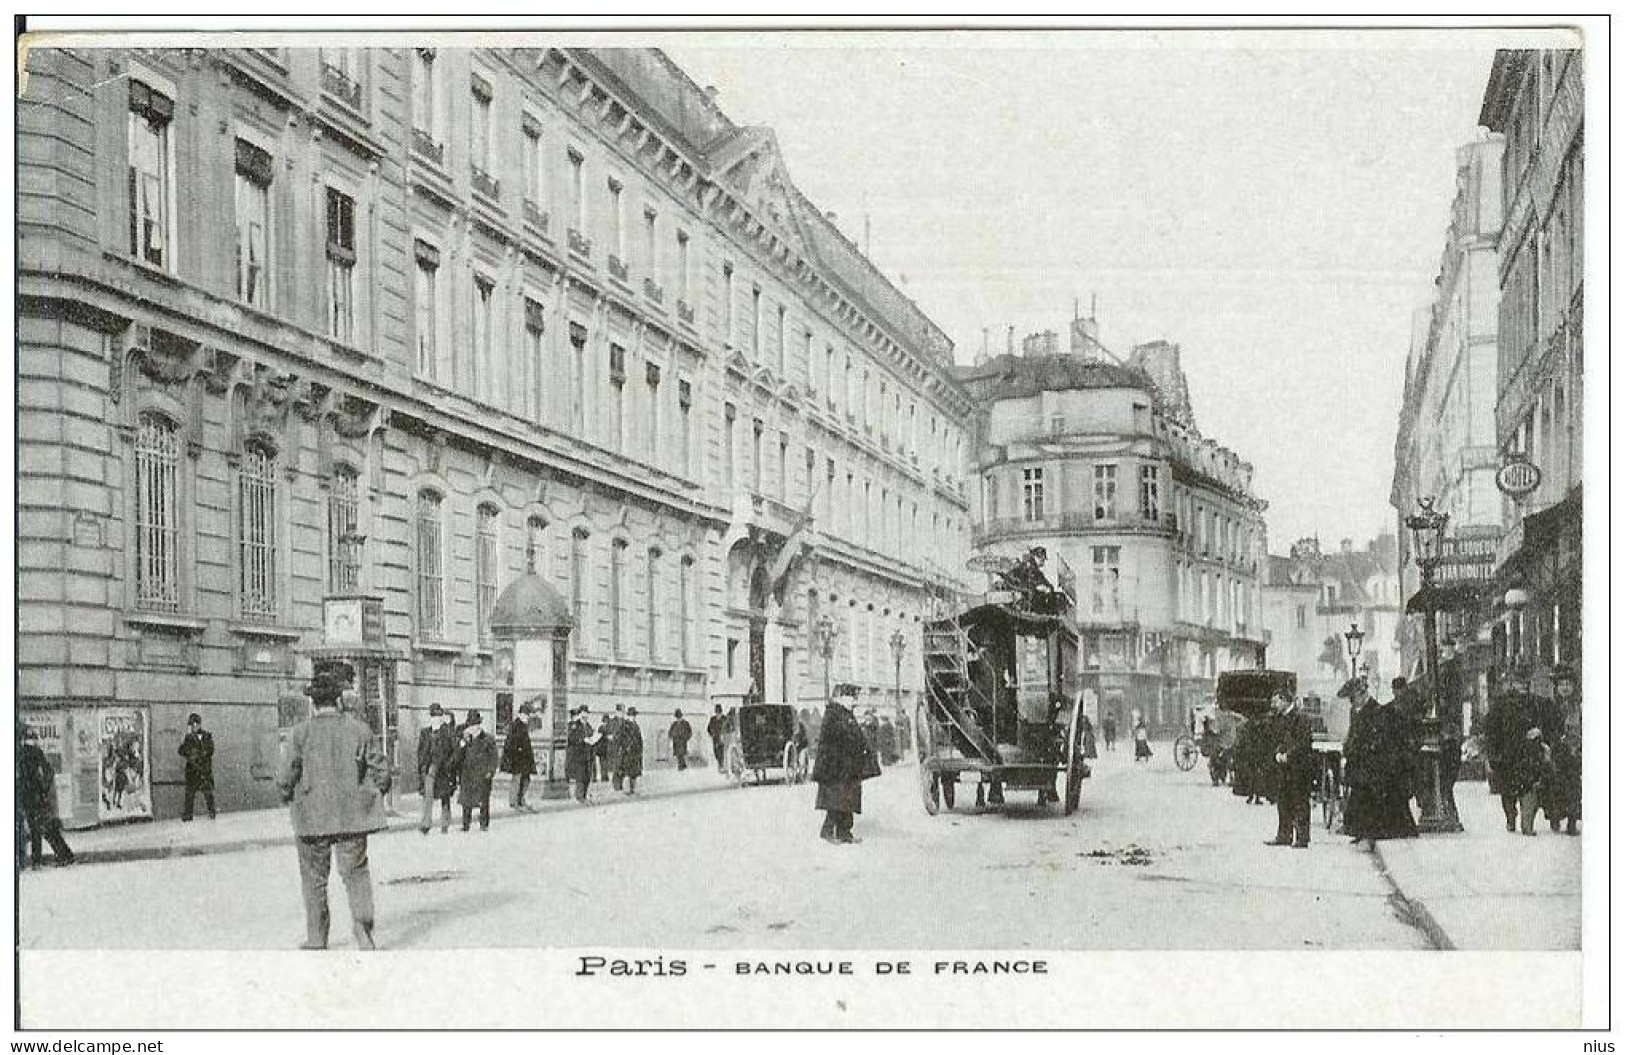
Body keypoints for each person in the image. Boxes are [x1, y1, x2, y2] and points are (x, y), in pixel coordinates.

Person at [275, 660, 387, 951]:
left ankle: (317, 937)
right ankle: (363, 932)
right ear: (338, 700)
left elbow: (285, 776)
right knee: (356, 874)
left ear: (313, 703)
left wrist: (288, 795)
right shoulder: (360, 730)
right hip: (352, 817)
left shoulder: (299, 733)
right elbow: (382, 772)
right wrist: (372, 793)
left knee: (314, 879)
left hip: (312, 817)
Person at [1342, 677, 1418, 845]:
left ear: (1362, 695)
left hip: (1374, 763)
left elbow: (1379, 739)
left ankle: (1372, 831)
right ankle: (1361, 831)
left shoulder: (1376, 711)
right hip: (1360, 762)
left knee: (1372, 797)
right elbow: (1353, 735)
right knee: (1360, 796)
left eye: (1353, 698)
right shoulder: (1356, 711)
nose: (1352, 702)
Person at [812, 684, 881, 844]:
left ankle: (845, 833)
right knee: (836, 801)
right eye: (852, 698)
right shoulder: (834, 714)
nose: (854, 702)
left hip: (847, 767)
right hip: (835, 768)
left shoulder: (845, 713)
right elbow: (840, 738)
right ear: (841, 697)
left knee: (848, 800)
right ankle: (827, 831)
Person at [1482, 669, 1544, 835]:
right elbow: (1490, 727)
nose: (1522, 686)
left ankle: (1526, 824)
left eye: (1524, 682)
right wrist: (1494, 750)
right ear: (1511, 684)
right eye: (1518, 682)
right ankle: (1512, 818)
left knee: (1527, 788)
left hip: (1526, 753)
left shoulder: (1535, 702)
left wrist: (1539, 731)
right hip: (1508, 754)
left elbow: (1544, 721)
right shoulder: (1501, 704)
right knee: (1509, 792)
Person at [18, 725, 75, 869]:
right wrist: (44, 791)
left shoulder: (23, 754)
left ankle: (45, 859)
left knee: (38, 829)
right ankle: (63, 855)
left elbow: (28, 777)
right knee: (47, 828)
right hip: (40, 797)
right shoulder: (37, 754)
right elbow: (46, 773)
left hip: (30, 797)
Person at [1264, 689, 1314, 848]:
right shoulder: (1279, 718)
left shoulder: (1301, 718)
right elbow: (1275, 739)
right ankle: (1284, 835)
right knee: (1283, 801)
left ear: (1285, 700)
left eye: (1277, 701)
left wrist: (1288, 755)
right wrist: (1278, 752)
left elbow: (1303, 742)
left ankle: (1302, 838)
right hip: (1284, 767)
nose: (1274, 705)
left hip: (1299, 767)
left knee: (1299, 801)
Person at [1544, 665, 1581, 836]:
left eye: (1568, 684)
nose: (1565, 688)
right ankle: (1555, 815)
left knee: (1574, 786)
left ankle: (1572, 820)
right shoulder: (1551, 707)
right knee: (1556, 784)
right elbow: (1548, 728)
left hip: (1575, 752)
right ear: (1556, 688)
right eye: (1561, 685)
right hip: (1557, 752)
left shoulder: (1579, 706)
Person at [416, 704, 458, 834]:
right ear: (431, 717)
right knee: (428, 796)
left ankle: (445, 823)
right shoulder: (425, 732)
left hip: (444, 769)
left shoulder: (448, 732)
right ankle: (425, 824)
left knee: (445, 797)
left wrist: (450, 765)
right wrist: (422, 766)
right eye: (434, 716)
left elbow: (455, 751)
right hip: (430, 769)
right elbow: (421, 751)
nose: (437, 719)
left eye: (439, 716)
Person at [456, 711, 498, 832]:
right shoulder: (464, 739)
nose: (473, 728)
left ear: (479, 725)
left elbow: (494, 757)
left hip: (482, 774)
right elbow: (458, 757)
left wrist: (490, 771)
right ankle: (466, 824)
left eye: (475, 725)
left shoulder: (488, 739)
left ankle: (484, 823)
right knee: (466, 801)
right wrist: (462, 744)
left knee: (484, 800)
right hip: (467, 774)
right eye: (470, 725)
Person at [178, 712, 217, 822]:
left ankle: (212, 811)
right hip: (193, 770)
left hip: (204, 768)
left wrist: (199, 754)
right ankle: (188, 814)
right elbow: (181, 751)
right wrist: (187, 744)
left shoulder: (207, 736)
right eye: (191, 725)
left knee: (208, 792)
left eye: (195, 725)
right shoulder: (188, 738)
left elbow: (210, 750)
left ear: (199, 725)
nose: (193, 727)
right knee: (189, 793)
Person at [501, 704, 536, 811]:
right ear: (521, 714)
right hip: (517, 758)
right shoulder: (516, 725)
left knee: (525, 779)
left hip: (524, 758)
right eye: (526, 714)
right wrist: (517, 753)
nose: (528, 717)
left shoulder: (522, 725)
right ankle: (514, 801)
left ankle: (520, 799)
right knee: (517, 779)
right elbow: (511, 742)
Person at [565, 706, 596, 804]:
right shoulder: (575, 725)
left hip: (588, 754)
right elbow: (572, 738)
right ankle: (580, 796)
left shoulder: (588, 726)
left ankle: (584, 795)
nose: (585, 715)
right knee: (580, 776)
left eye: (587, 713)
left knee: (587, 776)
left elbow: (591, 735)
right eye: (583, 713)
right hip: (579, 754)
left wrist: (593, 739)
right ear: (580, 714)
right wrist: (583, 739)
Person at [616, 708, 645, 794]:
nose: (634, 717)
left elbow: (639, 738)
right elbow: (620, 738)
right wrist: (625, 747)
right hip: (627, 752)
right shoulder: (624, 725)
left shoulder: (636, 725)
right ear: (628, 716)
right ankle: (622, 788)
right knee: (625, 771)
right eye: (632, 716)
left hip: (635, 752)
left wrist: (640, 749)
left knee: (634, 772)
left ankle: (632, 790)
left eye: (634, 716)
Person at [602, 709, 624, 788]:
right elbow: (607, 733)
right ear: (616, 712)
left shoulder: (624, 722)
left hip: (623, 748)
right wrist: (612, 737)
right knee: (616, 767)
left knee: (622, 767)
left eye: (622, 712)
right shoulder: (612, 722)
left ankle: (620, 785)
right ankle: (616, 785)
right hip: (614, 747)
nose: (621, 714)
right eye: (619, 712)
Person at [707, 704, 727, 773]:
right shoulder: (712, 719)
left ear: (721, 712)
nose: (718, 714)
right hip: (715, 738)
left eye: (719, 713)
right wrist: (711, 734)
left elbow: (728, 727)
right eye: (717, 713)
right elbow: (709, 728)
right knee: (716, 752)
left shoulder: (725, 718)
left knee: (723, 752)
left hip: (723, 738)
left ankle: (722, 766)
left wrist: (725, 735)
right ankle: (720, 764)